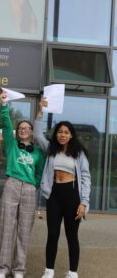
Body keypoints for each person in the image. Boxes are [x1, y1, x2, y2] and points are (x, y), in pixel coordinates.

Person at [34, 98, 91, 278]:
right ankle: (49, 270)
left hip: (72, 195)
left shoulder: (79, 153)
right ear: (56, 134)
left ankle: (72, 272)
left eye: (66, 132)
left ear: (71, 135)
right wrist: (40, 112)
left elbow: (86, 178)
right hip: (55, 194)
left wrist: (84, 203)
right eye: (60, 132)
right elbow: (36, 135)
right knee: (52, 234)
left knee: (71, 235)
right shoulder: (51, 149)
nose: (62, 135)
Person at [0, 92, 46, 278]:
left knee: (24, 230)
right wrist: (4, 106)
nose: (23, 130)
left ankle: (19, 270)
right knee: (7, 227)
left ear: (32, 132)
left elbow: (40, 172)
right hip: (12, 185)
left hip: (29, 189)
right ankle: (2, 268)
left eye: (27, 128)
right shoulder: (12, 145)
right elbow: (6, 126)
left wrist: (34, 185)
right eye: (21, 128)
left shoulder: (39, 152)